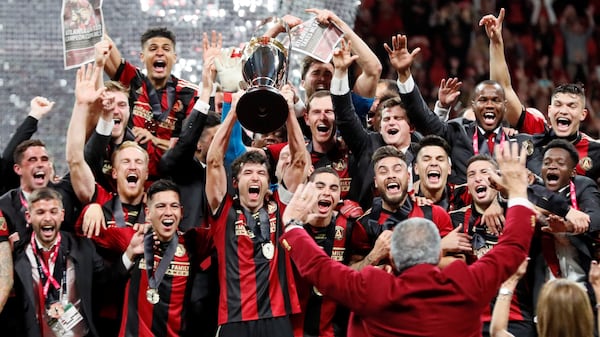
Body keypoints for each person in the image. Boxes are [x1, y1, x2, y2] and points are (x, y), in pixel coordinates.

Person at [279, 141, 536, 337]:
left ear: (393, 258)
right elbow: (513, 248)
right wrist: (518, 194)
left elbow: (320, 269)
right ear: (437, 254)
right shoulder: (465, 283)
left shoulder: (373, 289)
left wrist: (291, 225)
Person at [205, 84, 307, 336]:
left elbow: (300, 161)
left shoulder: (281, 205)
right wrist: (233, 112)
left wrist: (290, 110)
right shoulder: (223, 209)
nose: (255, 178)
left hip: (277, 317)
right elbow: (214, 160)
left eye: (261, 173)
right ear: (236, 182)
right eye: (247, 173)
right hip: (234, 319)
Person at [482, 9, 600, 183]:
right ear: (550, 111)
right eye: (558, 105)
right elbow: (503, 91)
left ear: (583, 114)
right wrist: (496, 43)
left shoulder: (594, 151)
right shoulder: (536, 130)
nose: (564, 110)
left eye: (571, 106)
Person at [11, 187, 143, 337]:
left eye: (53, 212)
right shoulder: (17, 254)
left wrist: (130, 253)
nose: (47, 218)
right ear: (28, 217)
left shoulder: (82, 247)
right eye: (40, 212)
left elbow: (107, 279)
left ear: (62, 215)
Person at [450, 155, 535, 337]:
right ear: (467, 185)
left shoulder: (516, 214)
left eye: (484, 172)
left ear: (497, 178)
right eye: (471, 174)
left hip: (516, 318)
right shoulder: (453, 220)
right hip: (472, 318)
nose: (478, 178)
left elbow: (540, 201)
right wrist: (441, 247)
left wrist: (501, 199)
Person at [330, 39, 420, 209]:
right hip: (368, 227)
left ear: (411, 127)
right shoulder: (367, 143)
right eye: (386, 119)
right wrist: (340, 73)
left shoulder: (423, 151)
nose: (391, 122)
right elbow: (345, 115)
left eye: (398, 118)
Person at [349, 145, 455, 271]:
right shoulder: (364, 224)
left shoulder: (435, 214)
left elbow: (458, 262)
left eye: (397, 169)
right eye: (383, 171)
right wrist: (373, 257)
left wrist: (413, 259)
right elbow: (351, 273)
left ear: (408, 177)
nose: (391, 175)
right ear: (376, 181)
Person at [95, 27, 201, 150]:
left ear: (174, 57)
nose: (160, 53)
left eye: (166, 49)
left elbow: (195, 146)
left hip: (171, 168)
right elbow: (105, 49)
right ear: (142, 57)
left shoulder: (189, 93)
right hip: (131, 165)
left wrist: (155, 140)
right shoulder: (133, 81)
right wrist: (93, 15)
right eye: (153, 48)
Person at [0, 96, 55, 195]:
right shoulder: (9, 202)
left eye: (44, 159)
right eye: (32, 160)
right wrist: (34, 115)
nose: (39, 165)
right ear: (18, 169)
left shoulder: (62, 195)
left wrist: (35, 115)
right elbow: (8, 160)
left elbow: (77, 161)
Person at [412, 135, 453, 211]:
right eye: (426, 159)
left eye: (440, 159)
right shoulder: (407, 203)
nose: (433, 163)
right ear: (416, 169)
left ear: (449, 169)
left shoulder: (463, 196)